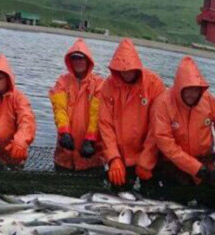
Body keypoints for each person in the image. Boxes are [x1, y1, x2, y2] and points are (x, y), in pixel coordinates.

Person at [98, 38, 165, 187]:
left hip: (150, 157)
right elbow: (105, 125)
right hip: (121, 158)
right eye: (121, 69)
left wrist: (147, 160)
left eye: (129, 69)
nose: (126, 72)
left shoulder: (154, 84)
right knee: (118, 194)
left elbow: (158, 126)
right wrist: (113, 158)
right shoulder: (108, 85)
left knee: (153, 197)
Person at [143, 56, 215, 185]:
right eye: (188, 89)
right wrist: (196, 168)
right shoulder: (163, 104)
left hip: (205, 163)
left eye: (196, 89)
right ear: (179, 87)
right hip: (174, 165)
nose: (192, 94)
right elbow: (165, 143)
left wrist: (204, 168)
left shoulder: (208, 100)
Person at [48, 39, 104, 171]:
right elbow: (59, 109)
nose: (78, 61)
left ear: (88, 60)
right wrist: (64, 132)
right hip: (65, 155)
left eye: (81, 58)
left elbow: (97, 114)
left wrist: (90, 139)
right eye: (74, 58)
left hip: (91, 155)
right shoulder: (62, 81)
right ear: (70, 61)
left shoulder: (99, 84)